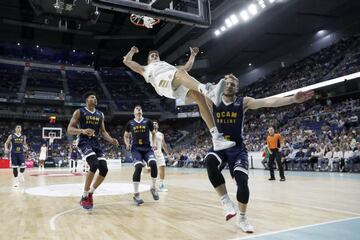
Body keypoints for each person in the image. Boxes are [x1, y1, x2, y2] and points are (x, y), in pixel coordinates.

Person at [203, 74, 314, 233]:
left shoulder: (243, 102)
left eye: (233, 84)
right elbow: (195, 94)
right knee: (209, 163)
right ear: (221, 85)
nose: (229, 85)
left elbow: (268, 102)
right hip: (219, 144)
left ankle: (242, 218)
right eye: (227, 83)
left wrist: (291, 99)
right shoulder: (212, 99)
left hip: (237, 146)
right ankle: (226, 201)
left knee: (242, 182)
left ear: (237, 88)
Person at [123, 46, 235, 151]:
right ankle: (209, 91)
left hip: (176, 80)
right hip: (162, 83)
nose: (155, 56)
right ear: (148, 60)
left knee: (199, 97)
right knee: (182, 73)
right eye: (152, 55)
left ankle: (216, 138)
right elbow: (126, 61)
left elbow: (187, 67)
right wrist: (132, 51)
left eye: (156, 55)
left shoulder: (168, 66)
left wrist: (193, 55)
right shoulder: (145, 68)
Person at [67, 92, 119, 210]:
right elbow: (70, 129)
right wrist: (82, 131)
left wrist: (111, 140)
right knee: (94, 164)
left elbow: (103, 131)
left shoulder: (100, 114)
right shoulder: (79, 112)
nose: (95, 99)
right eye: (92, 97)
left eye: (95, 97)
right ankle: (84, 196)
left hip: (95, 143)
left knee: (104, 169)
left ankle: (90, 193)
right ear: (86, 100)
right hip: (84, 141)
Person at [124, 105, 159, 205]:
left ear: (142, 112)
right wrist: (127, 144)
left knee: (153, 163)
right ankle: (136, 194)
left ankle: (153, 187)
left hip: (147, 148)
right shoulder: (130, 123)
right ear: (134, 112)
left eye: (140, 109)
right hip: (136, 149)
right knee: (138, 166)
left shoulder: (148, 121)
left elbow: (154, 133)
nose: (139, 110)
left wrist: (154, 143)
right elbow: (126, 135)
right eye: (136, 109)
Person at [153, 121, 171, 192]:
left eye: (156, 123)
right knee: (151, 170)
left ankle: (161, 185)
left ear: (158, 126)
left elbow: (164, 145)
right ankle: (153, 185)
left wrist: (168, 154)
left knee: (162, 167)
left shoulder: (161, 134)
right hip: (151, 153)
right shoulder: (149, 133)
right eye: (153, 124)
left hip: (159, 153)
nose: (154, 124)